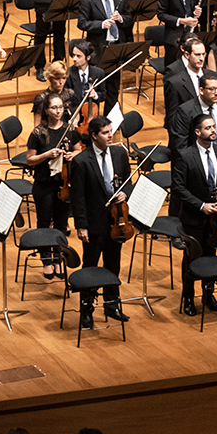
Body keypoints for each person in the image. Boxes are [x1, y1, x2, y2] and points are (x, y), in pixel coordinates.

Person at [68, 115, 133, 327]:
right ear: (94, 135)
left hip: (117, 221)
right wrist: (81, 226)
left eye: (111, 131)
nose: (110, 135)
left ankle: (112, 304)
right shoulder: (80, 161)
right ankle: (86, 310)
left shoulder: (119, 153)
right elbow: (78, 197)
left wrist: (125, 194)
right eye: (105, 133)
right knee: (90, 267)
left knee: (113, 265)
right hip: (94, 223)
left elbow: (127, 182)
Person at [172, 114, 217, 316]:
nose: (213, 130)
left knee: (211, 255)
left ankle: (209, 295)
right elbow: (179, 188)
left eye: (214, 126)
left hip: (216, 218)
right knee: (191, 258)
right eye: (208, 128)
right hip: (194, 217)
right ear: (197, 132)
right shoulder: (185, 155)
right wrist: (201, 206)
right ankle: (188, 298)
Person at [24, 94, 74, 277]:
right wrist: (47, 155)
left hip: (64, 184)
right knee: (44, 222)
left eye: (60, 107)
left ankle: (58, 258)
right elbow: (30, 160)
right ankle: (46, 259)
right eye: (54, 108)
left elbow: (78, 149)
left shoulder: (69, 130)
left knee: (61, 223)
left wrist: (71, 156)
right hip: (44, 184)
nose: (58, 111)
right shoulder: (38, 133)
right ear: (46, 110)